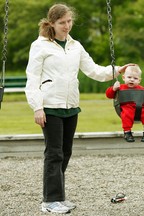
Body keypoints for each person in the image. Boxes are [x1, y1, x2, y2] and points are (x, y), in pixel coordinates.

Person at [25, 3, 133, 214]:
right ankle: (50, 201)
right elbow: (32, 79)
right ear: (51, 24)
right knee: (54, 153)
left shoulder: (76, 46)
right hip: (50, 106)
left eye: (69, 21)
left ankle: (58, 197)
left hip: (71, 106)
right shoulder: (40, 46)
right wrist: (37, 107)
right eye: (62, 22)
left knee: (65, 152)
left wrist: (116, 70)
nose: (67, 26)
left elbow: (93, 70)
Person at [106, 65, 144, 142]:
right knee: (126, 114)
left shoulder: (141, 88)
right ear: (123, 78)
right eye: (129, 77)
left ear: (139, 80)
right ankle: (127, 132)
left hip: (141, 108)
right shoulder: (120, 87)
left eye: (135, 78)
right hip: (127, 108)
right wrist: (113, 88)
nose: (132, 80)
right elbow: (109, 95)